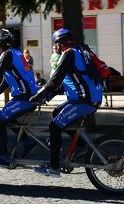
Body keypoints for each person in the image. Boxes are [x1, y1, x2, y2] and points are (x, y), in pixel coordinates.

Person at [29, 28, 104, 179]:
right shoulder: (76, 52)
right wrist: (47, 96)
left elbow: (55, 80)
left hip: (85, 101)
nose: (54, 47)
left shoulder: (69, 54)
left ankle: (54, 166)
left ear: (59, 43)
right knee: (57, 113)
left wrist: (37, 95)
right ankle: (80, 146)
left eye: (55, 43)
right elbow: (67, 83)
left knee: (54, 126)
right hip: (87, 98)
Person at [0, 29, 39, 167]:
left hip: (24, 97)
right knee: (8, 117)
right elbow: (9, 77)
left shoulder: (6, 55)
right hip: (28, 95)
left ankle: (4, 156)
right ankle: (27, 142)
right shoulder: (16, 53)